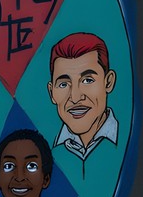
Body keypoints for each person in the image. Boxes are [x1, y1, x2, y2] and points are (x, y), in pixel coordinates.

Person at [48, 32, 117, 173]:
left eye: (87, 80)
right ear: (51, 92)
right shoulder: (45, 149)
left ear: (108, 82)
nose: (75, 97)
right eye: (63, 84)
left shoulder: (130, 142)